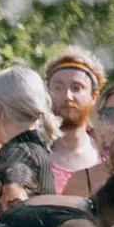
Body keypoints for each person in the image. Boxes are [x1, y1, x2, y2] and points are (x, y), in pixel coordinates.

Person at [42, 46, 107, 185]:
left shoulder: (107, 153)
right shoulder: (31, 153)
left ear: (94, 96)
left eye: (76, 88)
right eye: (58, 87)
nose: (67, 96)